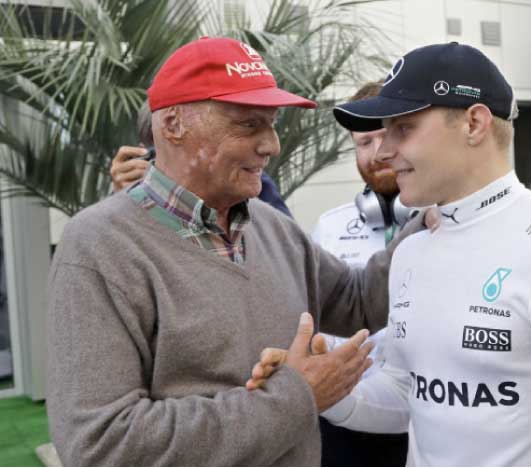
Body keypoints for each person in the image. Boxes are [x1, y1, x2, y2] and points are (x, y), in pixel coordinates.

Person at [250, 42, 531, 466]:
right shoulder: (411, 251)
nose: (384, 151)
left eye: (403, 129)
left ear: (474, 124)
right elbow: (407, 394)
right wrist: (323, 389)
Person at [46, 37, 425, 466]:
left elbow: (357, 301)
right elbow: (101, 445)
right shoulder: (98, 247)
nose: (271, 145)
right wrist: (296, 395)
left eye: (272, 123)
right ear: (172, 125)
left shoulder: (271, 227)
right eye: (248, 125)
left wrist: (435, 212)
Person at [311, 82, 409, 466]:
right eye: (362, 143)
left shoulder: (444, 222)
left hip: (422, 420)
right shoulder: (329, 226)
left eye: (383, 138)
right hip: (343, 420)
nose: (375, 154)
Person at [110, 103, 293, 217]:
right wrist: (123, 199)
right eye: (155, 155)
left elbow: (283, 249)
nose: (272, 147)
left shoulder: (248, 181)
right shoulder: (109, 220)